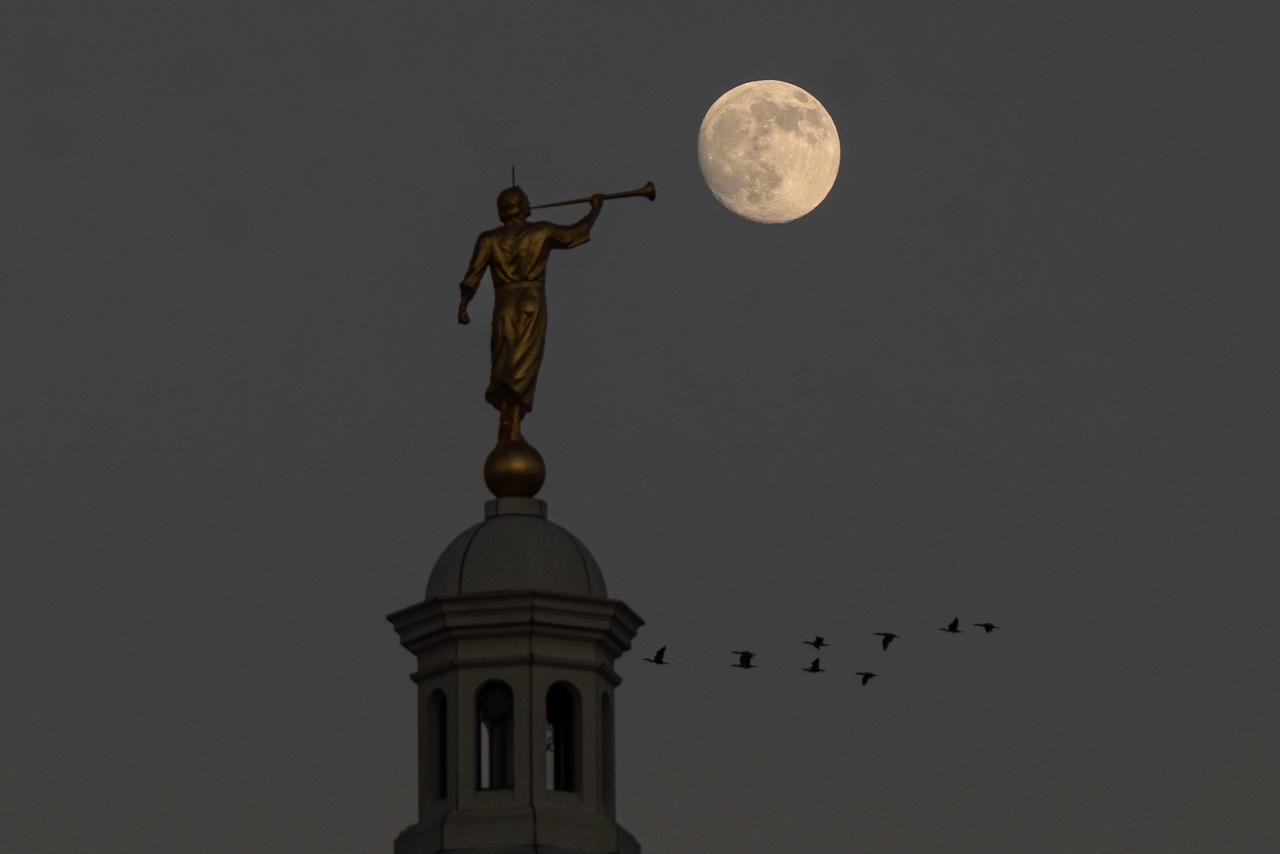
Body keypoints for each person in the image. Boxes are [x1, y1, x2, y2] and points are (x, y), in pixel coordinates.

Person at [457, 185, 603, 444]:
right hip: (531, 303)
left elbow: (471, 278)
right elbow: (575, 234)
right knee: (523, 366)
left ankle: (508, 425)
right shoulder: (541, 231)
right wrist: (595, 209)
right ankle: (511, 427)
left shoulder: (489, 239)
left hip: (504, 305)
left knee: (504, 364)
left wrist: (464, 306)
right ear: (524, 207)